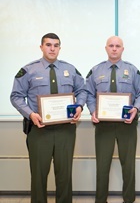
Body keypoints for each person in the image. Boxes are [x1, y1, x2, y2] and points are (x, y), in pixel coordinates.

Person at [10, 33, 87, 203]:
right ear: (41, 47)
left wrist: (80, 106)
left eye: (56, 45)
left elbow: (82, 91)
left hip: (65, 130)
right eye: (48, 45)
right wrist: (30, 114)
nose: (52, 48)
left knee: (64, 174)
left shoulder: (71, 69)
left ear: (60, 47)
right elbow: (16, 96)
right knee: (38, 175)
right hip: (39, 130)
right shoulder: (29, 70)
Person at [85, 36, 140, 203]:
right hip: (103, 125)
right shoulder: (95, 70)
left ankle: (129, 199)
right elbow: (88, 94)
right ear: (106, 48)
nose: (114, 48)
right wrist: (93, 110)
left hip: (126, 125)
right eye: (111, 46)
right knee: (102, 165)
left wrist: (136, 108)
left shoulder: (132, 70)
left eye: (117, 46)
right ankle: (100, 200)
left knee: (128, 165)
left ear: (122, 49)